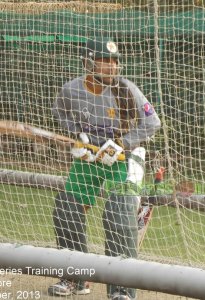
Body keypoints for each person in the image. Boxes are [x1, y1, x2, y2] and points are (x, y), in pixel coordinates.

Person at [47, 37, 161, 300]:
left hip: (124, 159)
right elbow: (60, 113)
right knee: (66, 209)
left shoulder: (126, 90)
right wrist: (77, 136)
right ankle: (75, 279)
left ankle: (122, 290)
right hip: (90, 159)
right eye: (104, 61)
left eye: (114, 62)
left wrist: (122, 143)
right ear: (88, 63)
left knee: (117, 214)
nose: (111, 67)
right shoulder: (71, 90)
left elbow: (152, 123)